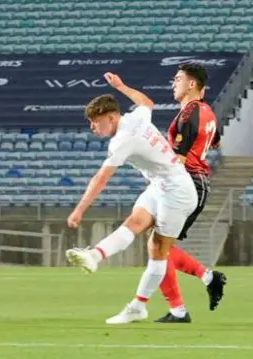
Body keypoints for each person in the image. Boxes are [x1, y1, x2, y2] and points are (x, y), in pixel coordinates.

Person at [65, 72, 198, 324]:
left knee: (157, 249)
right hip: (161, 184)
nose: (93, 127)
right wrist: (122, 86)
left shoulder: (122, 141)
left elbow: (101, 179)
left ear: (111, 117)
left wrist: (79, 210)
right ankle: (94, 256)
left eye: (96, 121)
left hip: (178, 191)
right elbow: (147, 102)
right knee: (134, 222)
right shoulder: (135, 116)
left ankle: (139, 306)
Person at [154, 64, 227, 323]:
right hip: (197, 181)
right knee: (158, 245)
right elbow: (215, 140)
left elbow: (180, 160)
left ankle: (179, 309)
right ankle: (206, 281)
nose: (173, 83)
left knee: (158, 247)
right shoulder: (207, 111)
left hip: (188, 182)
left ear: (192, 84)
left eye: (178, 79)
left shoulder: (189, 114)